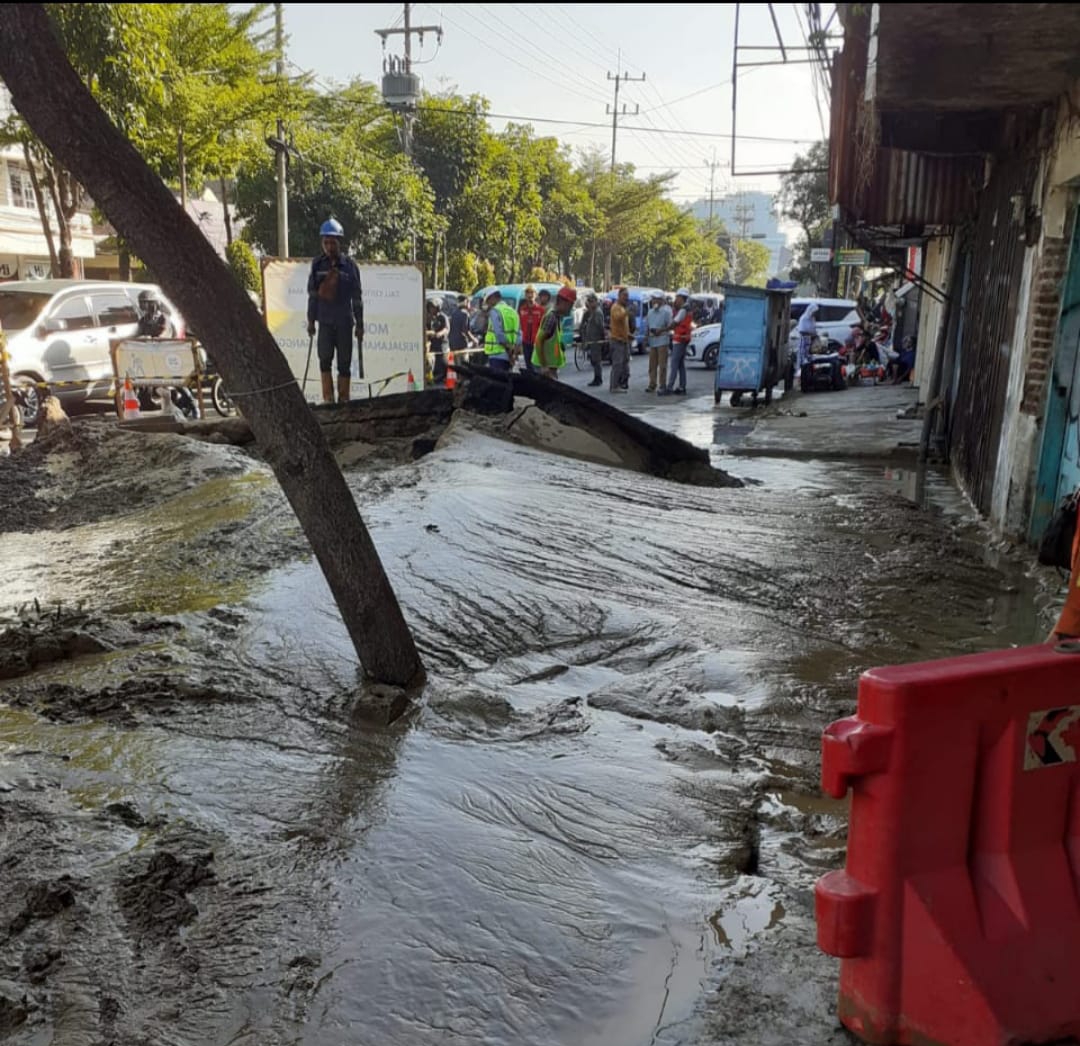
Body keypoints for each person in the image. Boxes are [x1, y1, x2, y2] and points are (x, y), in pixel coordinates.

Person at [306, 218, 364, 404]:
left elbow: (357, 297)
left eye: (333, 242)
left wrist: (360, 324)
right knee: (324, 360)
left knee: (344, 364)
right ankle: (328, 399)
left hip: (345, 323)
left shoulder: (350, 266)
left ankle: (344, 400)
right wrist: (310, 320)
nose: (329, 246)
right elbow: (313, 294)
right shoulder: (317, 265)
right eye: (326, 242)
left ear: (340, 242)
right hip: (325, 321)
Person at [135, 289, 199, 418]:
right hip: (151, 355)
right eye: (142, 304)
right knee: (148, 380)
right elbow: (137, 334)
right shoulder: (143, 320)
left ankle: (193, 404)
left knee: (174, 380)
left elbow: (163, 333)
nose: (144, 307)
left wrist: (150, 338)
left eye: (146, 303)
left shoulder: (163, 319)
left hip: (167, 354)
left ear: (154, 304)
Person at [534, 286, 577, 379]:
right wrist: (544, 366)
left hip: (550, 367)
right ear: (562, 302)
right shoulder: (552, 317)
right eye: (570, 305)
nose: (570, 309)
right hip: (545, 369)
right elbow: (538, 341)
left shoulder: (556, 317)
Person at [660, 287, 693, 396]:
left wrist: (662, 330)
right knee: (680, 365)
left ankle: (669, 388)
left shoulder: (683, 310)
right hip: (683, 339)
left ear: (682, 298)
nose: (676, 300)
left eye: (677, 297)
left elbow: (674, 323)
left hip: (679, 340)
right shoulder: (686, 309)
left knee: (674, 365)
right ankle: (682, 386)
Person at [482, 289, 520, 373]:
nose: (488, 304)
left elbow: (499, 334)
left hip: (496, 354)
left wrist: (508, 349)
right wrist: (513, 354)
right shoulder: (513, 312)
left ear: (493, 298)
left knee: (498, 383)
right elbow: (519, 335)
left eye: (488, 300)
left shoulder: (495, 311)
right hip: (509, 356)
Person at [645, 291, 673, 394]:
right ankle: (652, 384)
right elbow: (648, 326)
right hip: (652, 341)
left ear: (662, 300)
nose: (654, 301)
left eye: (657, 299)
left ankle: (662, 385)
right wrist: (646, 338)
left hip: (662, 341)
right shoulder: (650, 312)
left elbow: (670, 326)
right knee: (652, 365)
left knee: (662, 365)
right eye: (653, 298)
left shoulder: (666, 312)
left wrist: (661, 330)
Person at [517, 285, 545, 374]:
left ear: (536, 295)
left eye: (532, 292)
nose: (530, 295)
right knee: (528, 367)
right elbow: (520, 327)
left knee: (536, 367)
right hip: (526, 343)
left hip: (537, 343)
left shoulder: (540, 310)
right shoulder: (522, 310)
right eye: (528, 293)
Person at [580, 293, 606, 387]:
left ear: (595, 301)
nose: (590, 303)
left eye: (591, 301)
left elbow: (600, 327)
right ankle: (596, 377)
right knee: (594, 360)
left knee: (597, 360)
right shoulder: (592, 312)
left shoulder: (598, 312)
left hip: (596, 340)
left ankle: (598, 379)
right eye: (589, 301)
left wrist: (602, 339)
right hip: (592, 340)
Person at [609, 287, 631, 394]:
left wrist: (629, 334)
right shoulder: (616, 307)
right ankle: (614, 386)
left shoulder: (622, 308)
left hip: (624, 340)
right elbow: (618, 318)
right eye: (624, 295)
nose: (627, 298)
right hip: (617, 341)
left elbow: (623, 325)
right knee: (617, 364)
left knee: (625, 363)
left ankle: (621, 383)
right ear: (619, 296)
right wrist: (627, 312)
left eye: (627, 296)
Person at [426, 300, 450, 384]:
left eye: (433, 307)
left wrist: (439, 334)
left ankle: (442, 380)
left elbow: (446, 329)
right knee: (432, 364)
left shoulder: (443, 317)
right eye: (430, 307)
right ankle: (433, 380)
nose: (432, 309)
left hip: (442, 345)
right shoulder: (428, 318)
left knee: (442, 364)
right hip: (432, 345)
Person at [448, 294, 474, 363]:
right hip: (462, 344)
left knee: (457, 365)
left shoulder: (453, 313)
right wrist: (474, 340)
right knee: (464, 365)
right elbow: (465, 331)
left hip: (453, 343)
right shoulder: (465, 314)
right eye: (469, 302)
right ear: (466, 302)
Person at [796, 302, 819, 378]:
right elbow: (802, 331)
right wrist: (810, 334)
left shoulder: (812, 319)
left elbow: (813, 329)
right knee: (802, 358)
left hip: (810, 341)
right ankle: (801, 375)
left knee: (809, 358)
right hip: (804, 341)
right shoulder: (804, 318)